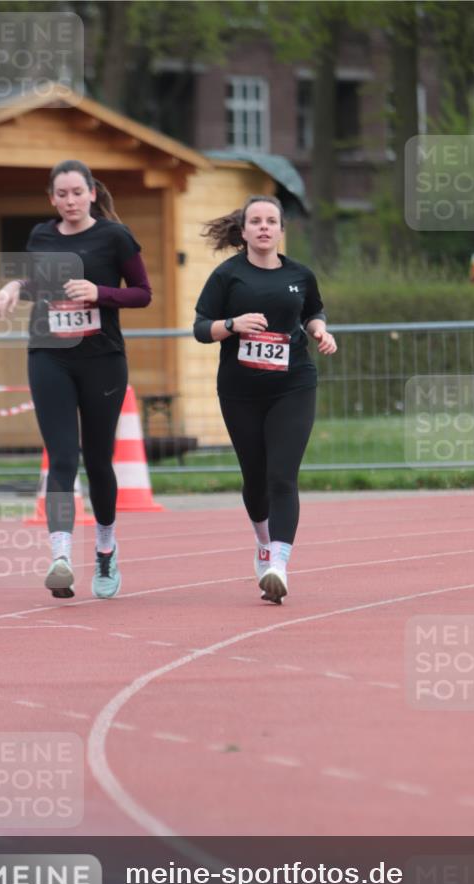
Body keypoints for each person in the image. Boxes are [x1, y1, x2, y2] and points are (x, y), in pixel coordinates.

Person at [0, 159, 152, 599]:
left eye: (77, 193)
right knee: (62, 458)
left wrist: (101, 293)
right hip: (50, 355)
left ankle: (104, 548)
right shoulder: (41, 236)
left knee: (98, 461)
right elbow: (37, 282)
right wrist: (12, 289)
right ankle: (60, 556)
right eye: (61, 195)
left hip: (101, 360)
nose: (70, 201)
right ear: (52, 199)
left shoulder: (114, 236)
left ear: (92, 194)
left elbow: (143, 292)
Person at [194, 195, 337, 604]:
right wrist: (232, 324)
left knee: (281, 477)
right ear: (243, 231)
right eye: (255, 221)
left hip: (293, 383)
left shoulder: (300, 274)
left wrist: (321, 331)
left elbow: (313, 311)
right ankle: (262, 542)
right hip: (240, 391)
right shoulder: (227, 276)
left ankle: (279, 563)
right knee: (255, 481)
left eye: (271, 221)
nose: (263, 227)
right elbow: (201, 328)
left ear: (280, 230)